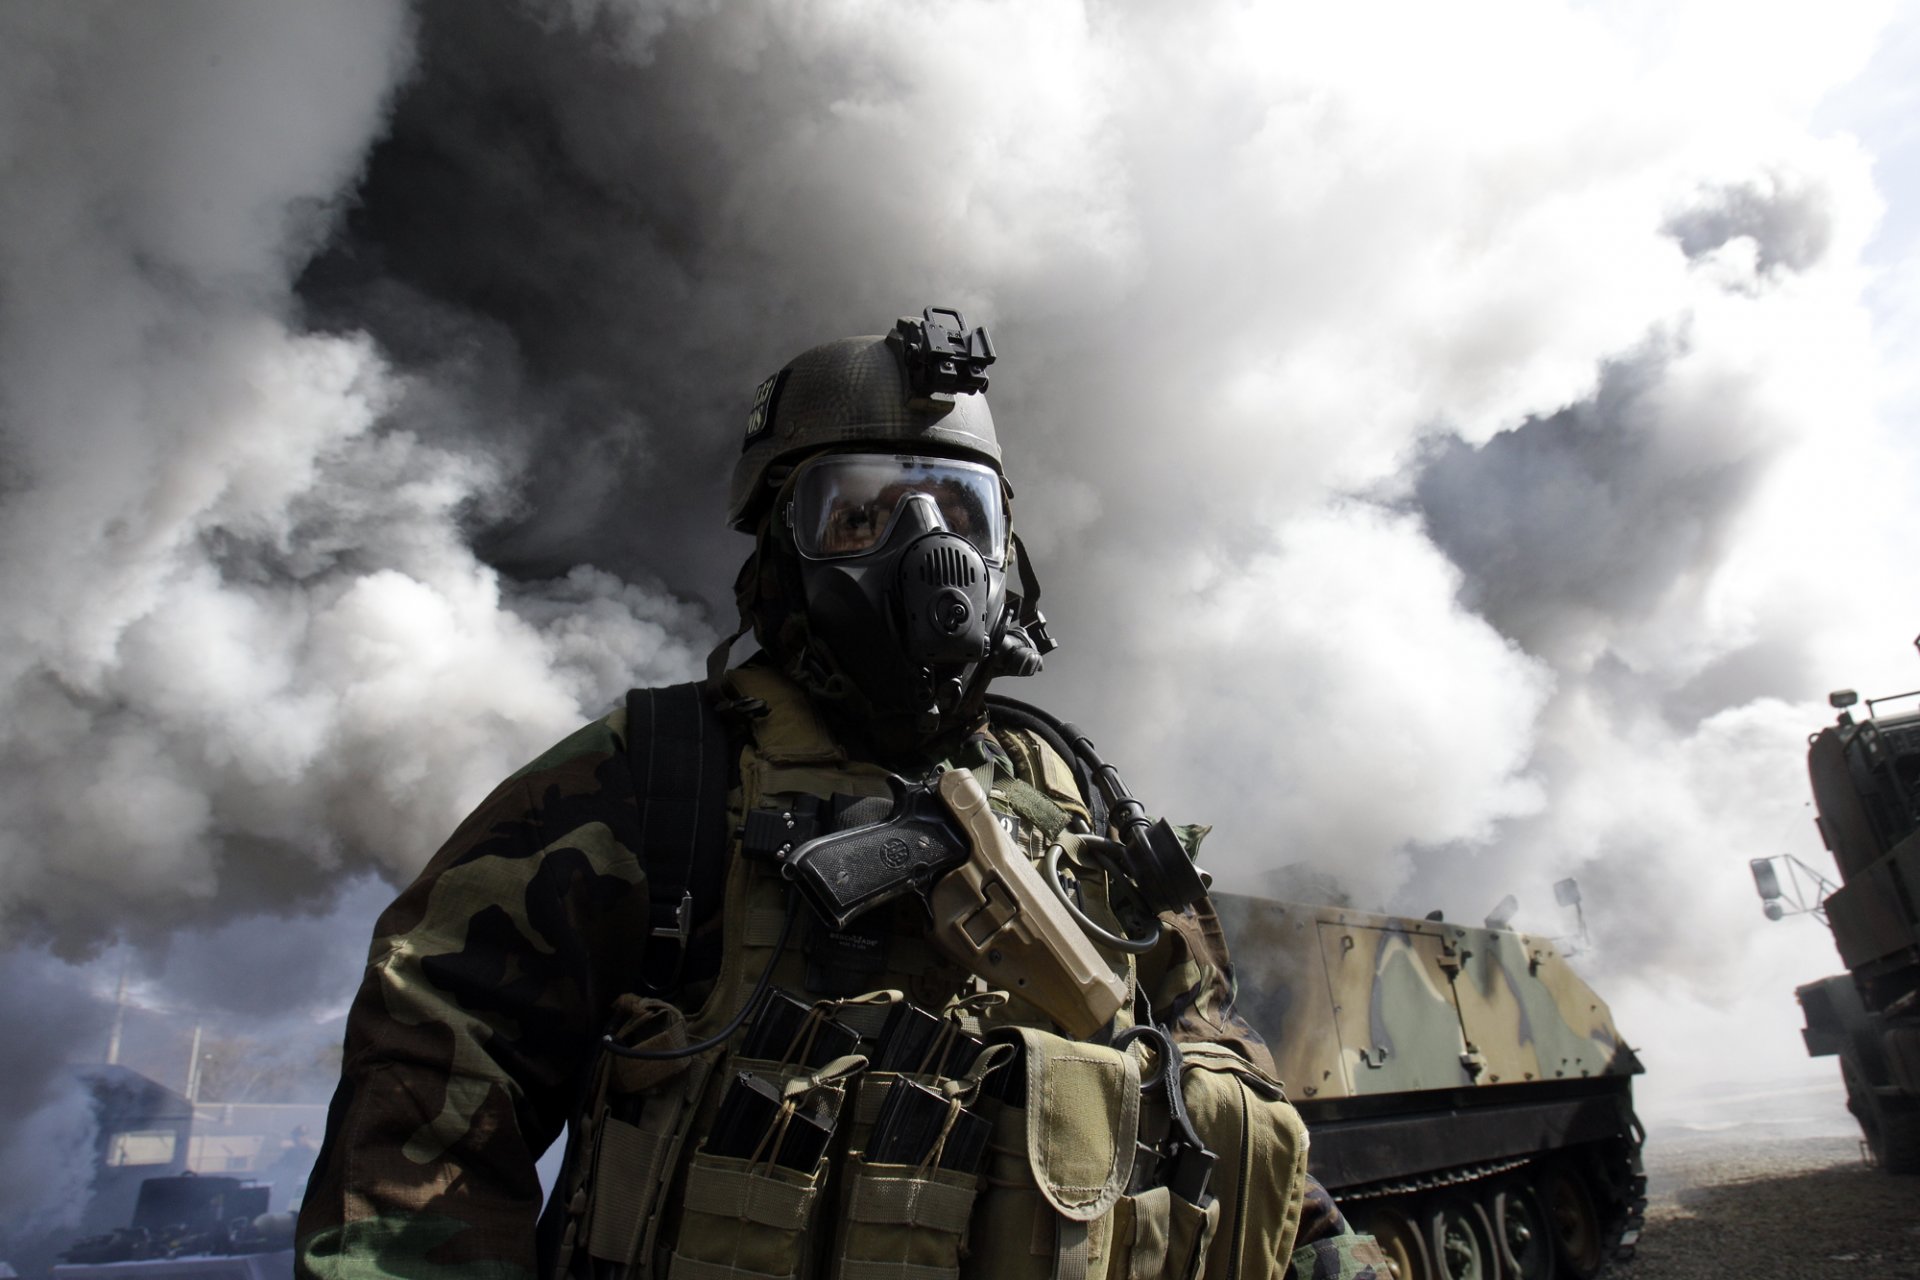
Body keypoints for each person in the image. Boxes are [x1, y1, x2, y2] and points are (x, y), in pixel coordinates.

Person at [295, 308, 1385, 1280]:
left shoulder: (1075, 798)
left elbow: (1218, 1103)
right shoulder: (659, 777)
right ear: (781, 550)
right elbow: (427, 1096)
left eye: (962, 515)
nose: (930, 558)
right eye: (859, 515)